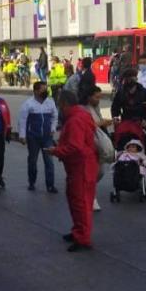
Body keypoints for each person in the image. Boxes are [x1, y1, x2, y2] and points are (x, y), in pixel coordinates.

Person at [45, 91, 98, 252]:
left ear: (65, 104)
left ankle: (83, 237)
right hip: (83, 164)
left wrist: (56, 151)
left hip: (80, 166)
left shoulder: (75, 120)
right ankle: (79, 231)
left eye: (60, 104)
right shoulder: (82, 115)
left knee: (81, 202)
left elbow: (75, 146)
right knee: (77, 200)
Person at [17, 82, 59, 193]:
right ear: (35, 91)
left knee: (49, 161)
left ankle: (50, 185)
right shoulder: (28, 104)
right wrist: (22, 136)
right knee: (32, 161)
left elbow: (55, 116)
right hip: (33, 137)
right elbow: (22, 120)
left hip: (47, 137)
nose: (45, 92)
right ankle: (31, 182)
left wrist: (53, 128)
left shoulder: (50, 102)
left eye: (46, 89)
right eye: (43, 90)